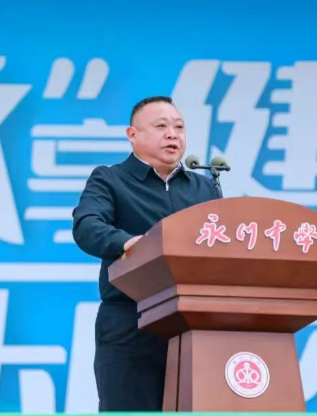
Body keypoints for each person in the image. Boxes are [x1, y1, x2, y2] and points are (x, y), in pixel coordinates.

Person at [72, 96, 220, 410]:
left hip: (194, 325)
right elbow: (87, 226)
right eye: (161, 126)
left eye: (179, 127)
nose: (172, 134)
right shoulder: (110, 179)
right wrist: (131, 244)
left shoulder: (205, 189)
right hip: (131, 323)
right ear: (132, 134)